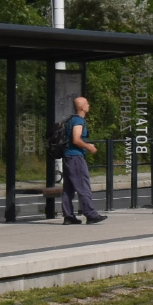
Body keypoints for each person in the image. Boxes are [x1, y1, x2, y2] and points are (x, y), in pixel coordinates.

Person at [63, 96, 107, 225]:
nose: (89, 105)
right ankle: (90, 214)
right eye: (87, 104)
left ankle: (69, 216)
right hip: (76, 157)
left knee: (69, 188)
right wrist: (89, 147)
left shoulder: (70, 120)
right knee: (83, 185)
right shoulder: (78, 121)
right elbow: (76, 139)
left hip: (68, 157)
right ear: (82, 107)